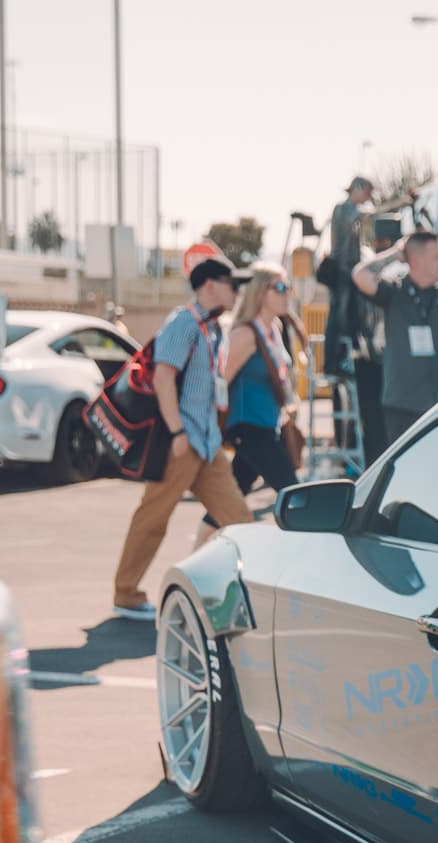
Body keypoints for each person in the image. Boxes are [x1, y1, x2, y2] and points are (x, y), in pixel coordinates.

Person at [109, 252, 252, 621]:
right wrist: (176, 432)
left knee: (238, 519)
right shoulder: (183, 324)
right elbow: (163, 378)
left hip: (206, 443)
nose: (237, 292)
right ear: (210, 285)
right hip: (182, 441)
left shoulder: (213, 327)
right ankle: (125, 594)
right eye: (232, 285)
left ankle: (246, 591)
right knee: (153, 518)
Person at [352, 229, 438, 456]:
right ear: (415, 261)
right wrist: (395, 253)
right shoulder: (394, 291)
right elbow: (360, 275)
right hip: (402, 406)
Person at [195, 263, 301, 544]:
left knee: (225, 503)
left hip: (267, 425)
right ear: (260, 292)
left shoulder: (275, 328)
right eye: (280, 288)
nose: (287, 294)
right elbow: (219, 384)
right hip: (249, 428)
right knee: (295, 496)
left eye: (288, 287)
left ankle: (196, 555)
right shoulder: (245, 335)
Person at [324, 177, 373, 375]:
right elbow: (361, 215)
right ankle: (331, 363)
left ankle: (349, 360)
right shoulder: (343, 209)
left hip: (351, 272)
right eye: (367, 193)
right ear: (357, 188)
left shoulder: (352, 210)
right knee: (338, 317)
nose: (368, 198)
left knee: (353, 317)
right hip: (342, 271)